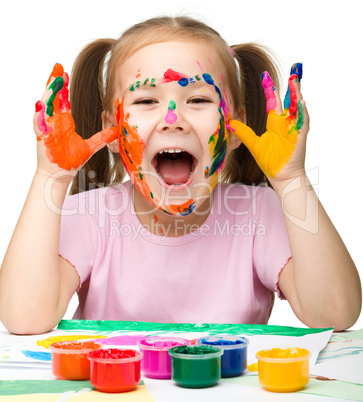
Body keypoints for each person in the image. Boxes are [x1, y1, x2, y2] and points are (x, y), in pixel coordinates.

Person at [0, 16, 361, 335]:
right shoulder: (91, 216)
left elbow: (334, 314)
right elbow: (24, 318)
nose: (173, 119)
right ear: (111, 130)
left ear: (235, 128)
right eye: (145, 101)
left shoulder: (258, 214)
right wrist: (51, 177)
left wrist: (291, 179)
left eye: (199, 100)